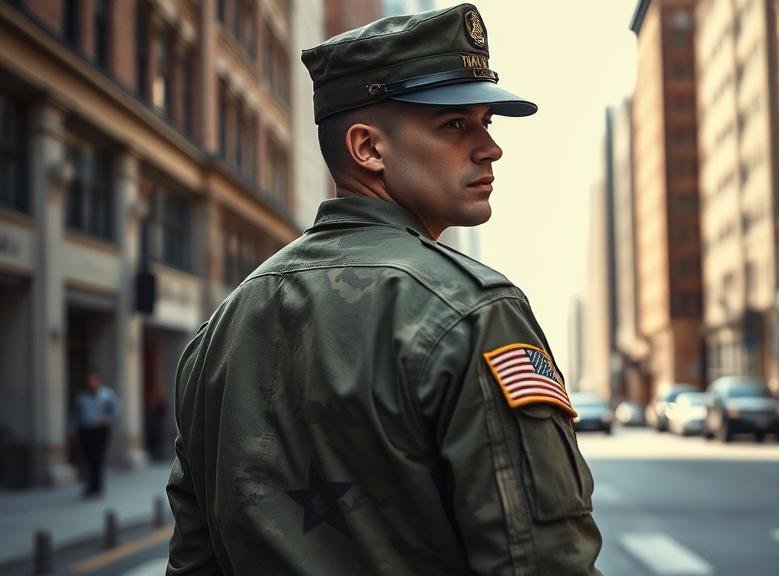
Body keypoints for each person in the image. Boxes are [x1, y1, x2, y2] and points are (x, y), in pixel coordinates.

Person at [166, 4, 603, 575]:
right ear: (368, 148)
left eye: (485, 124)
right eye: (454, 125)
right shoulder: (471, 310)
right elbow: (541, 563)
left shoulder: (218, 333)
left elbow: (193, 562)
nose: (490, 148)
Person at [69, 370, 119, 498]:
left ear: (98, 381)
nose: (91, 383)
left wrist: (107, 419)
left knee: (97, 457)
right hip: (85, 430)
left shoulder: (107, 395)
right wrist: (73, 430)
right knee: (88, 458)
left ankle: (97, 487)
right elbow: (75, 415)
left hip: (100, 430)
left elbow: (116, 411)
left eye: (93, 380)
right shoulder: (81, 397)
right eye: (89, 381)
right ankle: (90, 485)